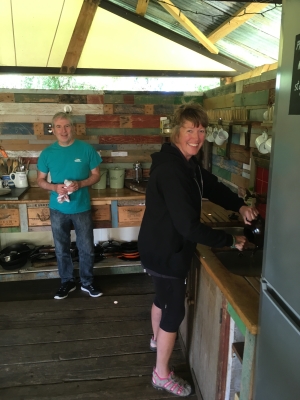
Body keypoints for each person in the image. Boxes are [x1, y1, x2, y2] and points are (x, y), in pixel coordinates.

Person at [138, 104, 258, 397]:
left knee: (161, 297)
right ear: (177, 132)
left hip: (156, 246)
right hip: (167, 250)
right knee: (174, 308)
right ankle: (161, 374)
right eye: (190, 130)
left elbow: (213, 187)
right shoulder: (172, 170)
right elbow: (188, 227)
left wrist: (239, 205)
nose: (197, 136)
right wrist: (229, 242)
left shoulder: (186, 165)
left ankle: (157, 340)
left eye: (201, 130)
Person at [37, 112, 102, 300]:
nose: (63, 130)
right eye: (58, 126)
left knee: (87, 248)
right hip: (58, 209)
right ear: (53, 129)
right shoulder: (47, 153)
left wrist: (80, 184)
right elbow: (40, 180)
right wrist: (54, 187)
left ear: (73, 127)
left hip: (81, 207)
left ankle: (87, 282)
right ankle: (67, 282)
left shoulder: (86, 149)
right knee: (61, 248)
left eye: (66, 126)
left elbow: (96, 174)